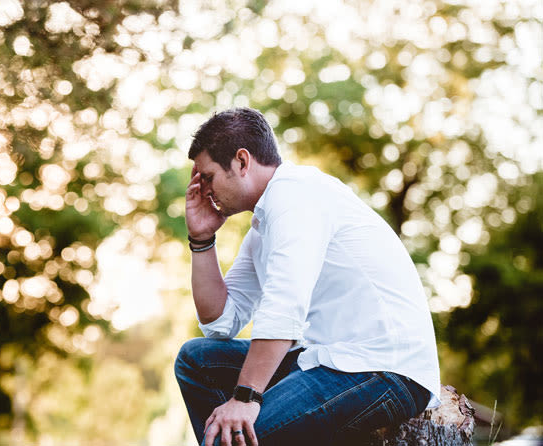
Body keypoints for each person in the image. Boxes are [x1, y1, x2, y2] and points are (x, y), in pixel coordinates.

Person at [174, 107, 441, 446]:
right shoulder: (264, 226)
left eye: (208, 176)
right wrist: (201, 240)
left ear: (242, 161)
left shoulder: (296, 194)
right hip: (325, 360)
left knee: (229, 441)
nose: (205, 190)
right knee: (197, 360)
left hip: (382, 369)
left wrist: (245, 398)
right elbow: (220, 323)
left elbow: (285, 306)